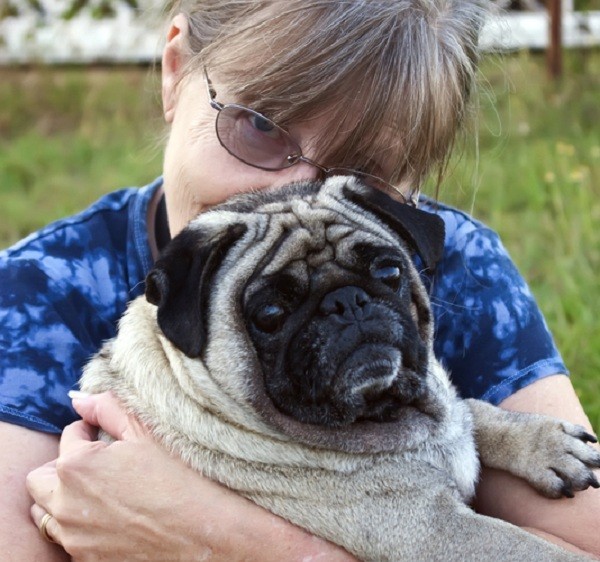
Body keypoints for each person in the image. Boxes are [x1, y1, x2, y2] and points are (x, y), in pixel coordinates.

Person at [1, 1, 598, 560]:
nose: (297, 191)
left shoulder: (457, 262)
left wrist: (229, 539)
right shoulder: (31, 298)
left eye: (365, 168)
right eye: (260, 126)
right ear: (175, 69)